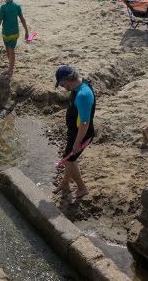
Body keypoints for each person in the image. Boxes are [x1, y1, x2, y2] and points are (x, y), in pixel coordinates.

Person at [54, 65, 95, 202]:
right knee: (68, 158)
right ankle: (65, 183)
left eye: (62, 84)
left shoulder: (83, 95)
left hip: (81, 134)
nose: (63, 87)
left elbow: (85, 123)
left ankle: (82, 188)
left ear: (68, 80)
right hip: (74, 132)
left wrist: (77, 142)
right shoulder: (79, 85)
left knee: (69, 160)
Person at [0, 0, 29, 75]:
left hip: (6, 32)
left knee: (9, 50)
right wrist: (26, 31)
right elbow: (22, 19)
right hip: (13, 32)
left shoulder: (3, 7)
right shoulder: (17, 6)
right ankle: (11, 66)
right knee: (9, 49)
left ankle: (10, 69)